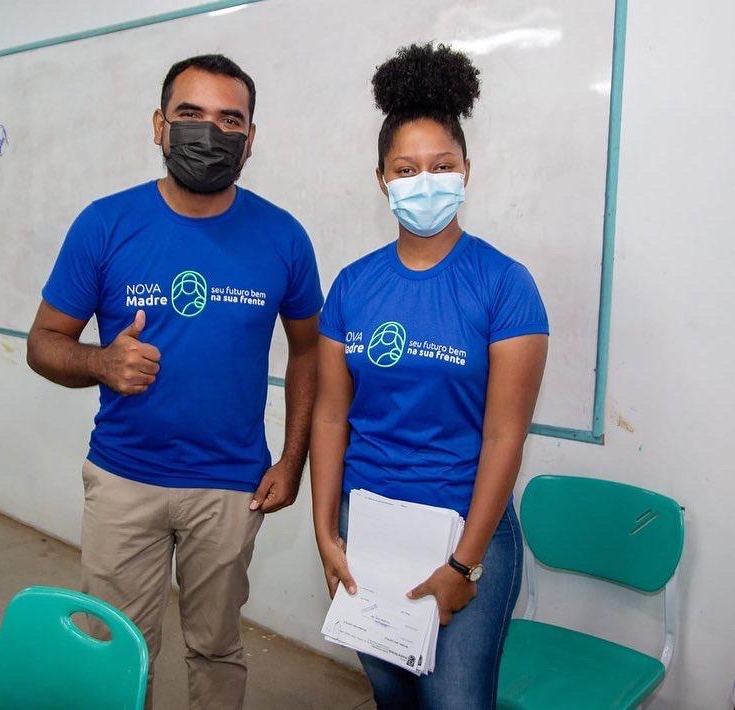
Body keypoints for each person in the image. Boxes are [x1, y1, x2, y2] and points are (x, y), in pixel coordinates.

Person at [26, 54, 322, 710]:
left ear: (250, 139)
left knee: (216, 648)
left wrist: (293, 459)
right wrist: (100, 362)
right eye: (190, 114)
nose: (208, 133)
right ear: (159, 125)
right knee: (111, 644)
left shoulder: (283, 237)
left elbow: (309, 353)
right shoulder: (105, 224)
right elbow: (43, 345)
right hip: (124, 478)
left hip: (229, 486)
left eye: (229, 119)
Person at [310, 43, 549, 709]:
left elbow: (504, 437)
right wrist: (326, 532)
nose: (424, 181)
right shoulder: (353, 286)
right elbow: (331, 417)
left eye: (440, 166)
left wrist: (463, 564)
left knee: (454, 702)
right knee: (392, 695)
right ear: (381, 179)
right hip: (370, 530)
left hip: (462, 528)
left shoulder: (504, 285)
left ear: (466, 170)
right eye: (406, 169)